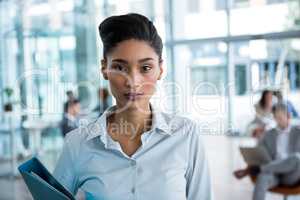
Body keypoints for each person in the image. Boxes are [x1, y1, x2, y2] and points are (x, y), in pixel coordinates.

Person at [53, 13, 212, 200]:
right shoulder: (78, 144)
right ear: (105, 68)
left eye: (145, 68)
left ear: (160, 69)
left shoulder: (186, 135)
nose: (133, 82)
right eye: (120, 68)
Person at [234, 103, 300, 200]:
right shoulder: (268, 134)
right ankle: (260, 169)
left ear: (288, 116)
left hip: (291, 176)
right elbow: (260, 154)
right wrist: (259, 139)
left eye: (280, 118)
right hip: (273, 173)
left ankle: (259, 168)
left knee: (297, 158)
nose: (278, 121)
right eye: (276, 118)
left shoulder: (298, 132)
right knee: (262, 177)